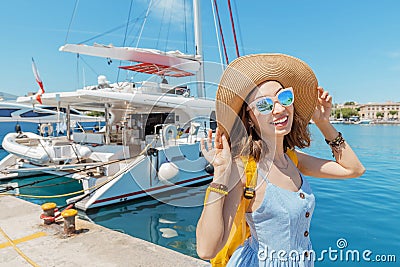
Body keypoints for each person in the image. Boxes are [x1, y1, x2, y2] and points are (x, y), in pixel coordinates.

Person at [196, 54, 365, 266]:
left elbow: (353, 170)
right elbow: (206, 249)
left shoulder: (293, 160)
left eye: (284, 98)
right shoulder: (244, 170)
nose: (279, 109)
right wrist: (220, 173)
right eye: (265, 105)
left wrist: (323, 123)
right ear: (249, 117)